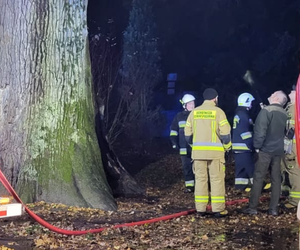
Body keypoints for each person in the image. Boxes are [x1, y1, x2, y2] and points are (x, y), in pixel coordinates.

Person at [184, 88, 231, 217]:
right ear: (215, 98)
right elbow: (226, 134)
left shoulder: (194, 113)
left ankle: (200, 209)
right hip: (216, 154)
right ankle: (218, 209)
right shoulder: (219, 112)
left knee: (200, 180)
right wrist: (227, 147)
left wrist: (194, 146)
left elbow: (187, 134)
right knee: (216, 180)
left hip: (198, 154)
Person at [242, 91, 288, 216]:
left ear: (277, 98)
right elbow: (287, 133)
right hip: (278, 151)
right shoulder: (285, 114)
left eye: (273, 94)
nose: (271, 94)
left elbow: (260, 131)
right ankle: (273, 209)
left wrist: (257, 147)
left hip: (265, 151)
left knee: (258, 178)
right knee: (276, 179)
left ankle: (252, 208)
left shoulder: (266, 111)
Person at [170, 94, 196, 193]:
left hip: (195, 147)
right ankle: (190, 187)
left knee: (198, 168)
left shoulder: (197, 115)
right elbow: (173, 130)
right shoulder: (179, 116)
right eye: (189, 104)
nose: (192, 105)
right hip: (184, 148)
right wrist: (174, 142)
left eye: (193, 103)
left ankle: (199, 186)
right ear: (184, 105)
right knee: (187, 168)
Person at [232, 93, 255, 192]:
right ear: (247, 102)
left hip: (238, 147)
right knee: (251, 168)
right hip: (245, 147)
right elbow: (245, 133)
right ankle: (259, 185)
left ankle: (240, 186)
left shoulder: (239, 114)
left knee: (241, 168)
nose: (252, 104)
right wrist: (252, 145)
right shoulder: (244, 115)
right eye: (251, 102)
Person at [281, 87, 300, 209]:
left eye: (292, 91)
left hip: (293, 147)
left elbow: (291, 129)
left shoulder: (294, 108)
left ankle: (295, 201)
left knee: (294, 172)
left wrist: (286, 144)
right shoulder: (291, 107)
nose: (289, 93)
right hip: (293, 146)